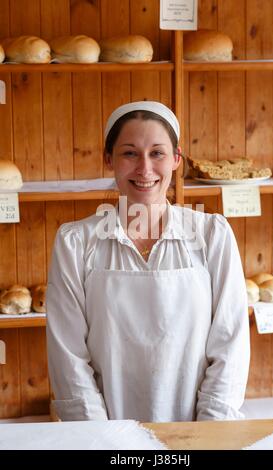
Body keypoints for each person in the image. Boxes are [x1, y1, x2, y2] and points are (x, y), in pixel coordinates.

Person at [46, 101, 250, 423]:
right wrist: (103, 441)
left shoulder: (212, 235)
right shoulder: (75, 243)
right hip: (106, 439)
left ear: (176, 159)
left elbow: (230, 345)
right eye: (130, 153)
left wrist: (207, 436)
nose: (144, 169)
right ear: (109, 159)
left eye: (157, 153)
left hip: (197, 435)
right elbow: (68, 356)